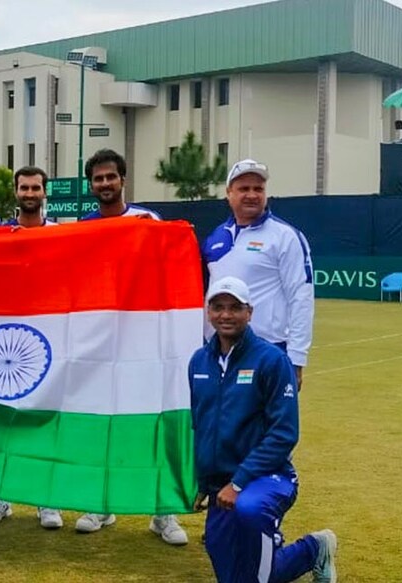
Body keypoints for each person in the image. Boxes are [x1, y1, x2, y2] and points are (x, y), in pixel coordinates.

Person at [191, 276, 337, 583]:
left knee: (250, 511)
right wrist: (203, 482)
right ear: (208, 311)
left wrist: (240, 481)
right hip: (221, 485)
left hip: (268, 478)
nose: (226, 315)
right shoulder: (198, 362)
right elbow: (200, 424)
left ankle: (307, 549)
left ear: (250, 312)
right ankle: (315, 549)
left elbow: (284, 433)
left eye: (235, 307)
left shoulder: (271, 359)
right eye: (218, 307)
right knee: (234, 577)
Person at [75, 149, 187, 545]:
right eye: (98, 179)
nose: (104, 184)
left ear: (123, 179)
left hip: (144, 342)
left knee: (151, 424)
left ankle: (163, 512)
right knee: (102, 425)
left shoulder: (146, 221)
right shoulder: (82, 227)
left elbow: (170, 270)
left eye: (110, 177)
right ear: (91, 185)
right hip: (101, 346)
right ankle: (100, 504)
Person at [0, 165, 64, 531]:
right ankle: (0, 497)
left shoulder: (63, 236)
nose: (30, 193)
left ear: (45, 192)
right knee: (4, 419)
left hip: (51, 336)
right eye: (24, 188)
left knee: (45, 420)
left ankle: (47, 499)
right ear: (16, 192)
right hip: (8, 338)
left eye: (36, 188)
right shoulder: (0, 235)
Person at [204, 159, 314, 390]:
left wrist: (296, 359)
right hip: (220, 352)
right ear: (229, 193)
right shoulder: (215, 238)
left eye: (258, 189)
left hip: (271, 350)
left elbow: (301, 297)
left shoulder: (285, 236)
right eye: (244, 189)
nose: (252, 195)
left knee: (269, 423)